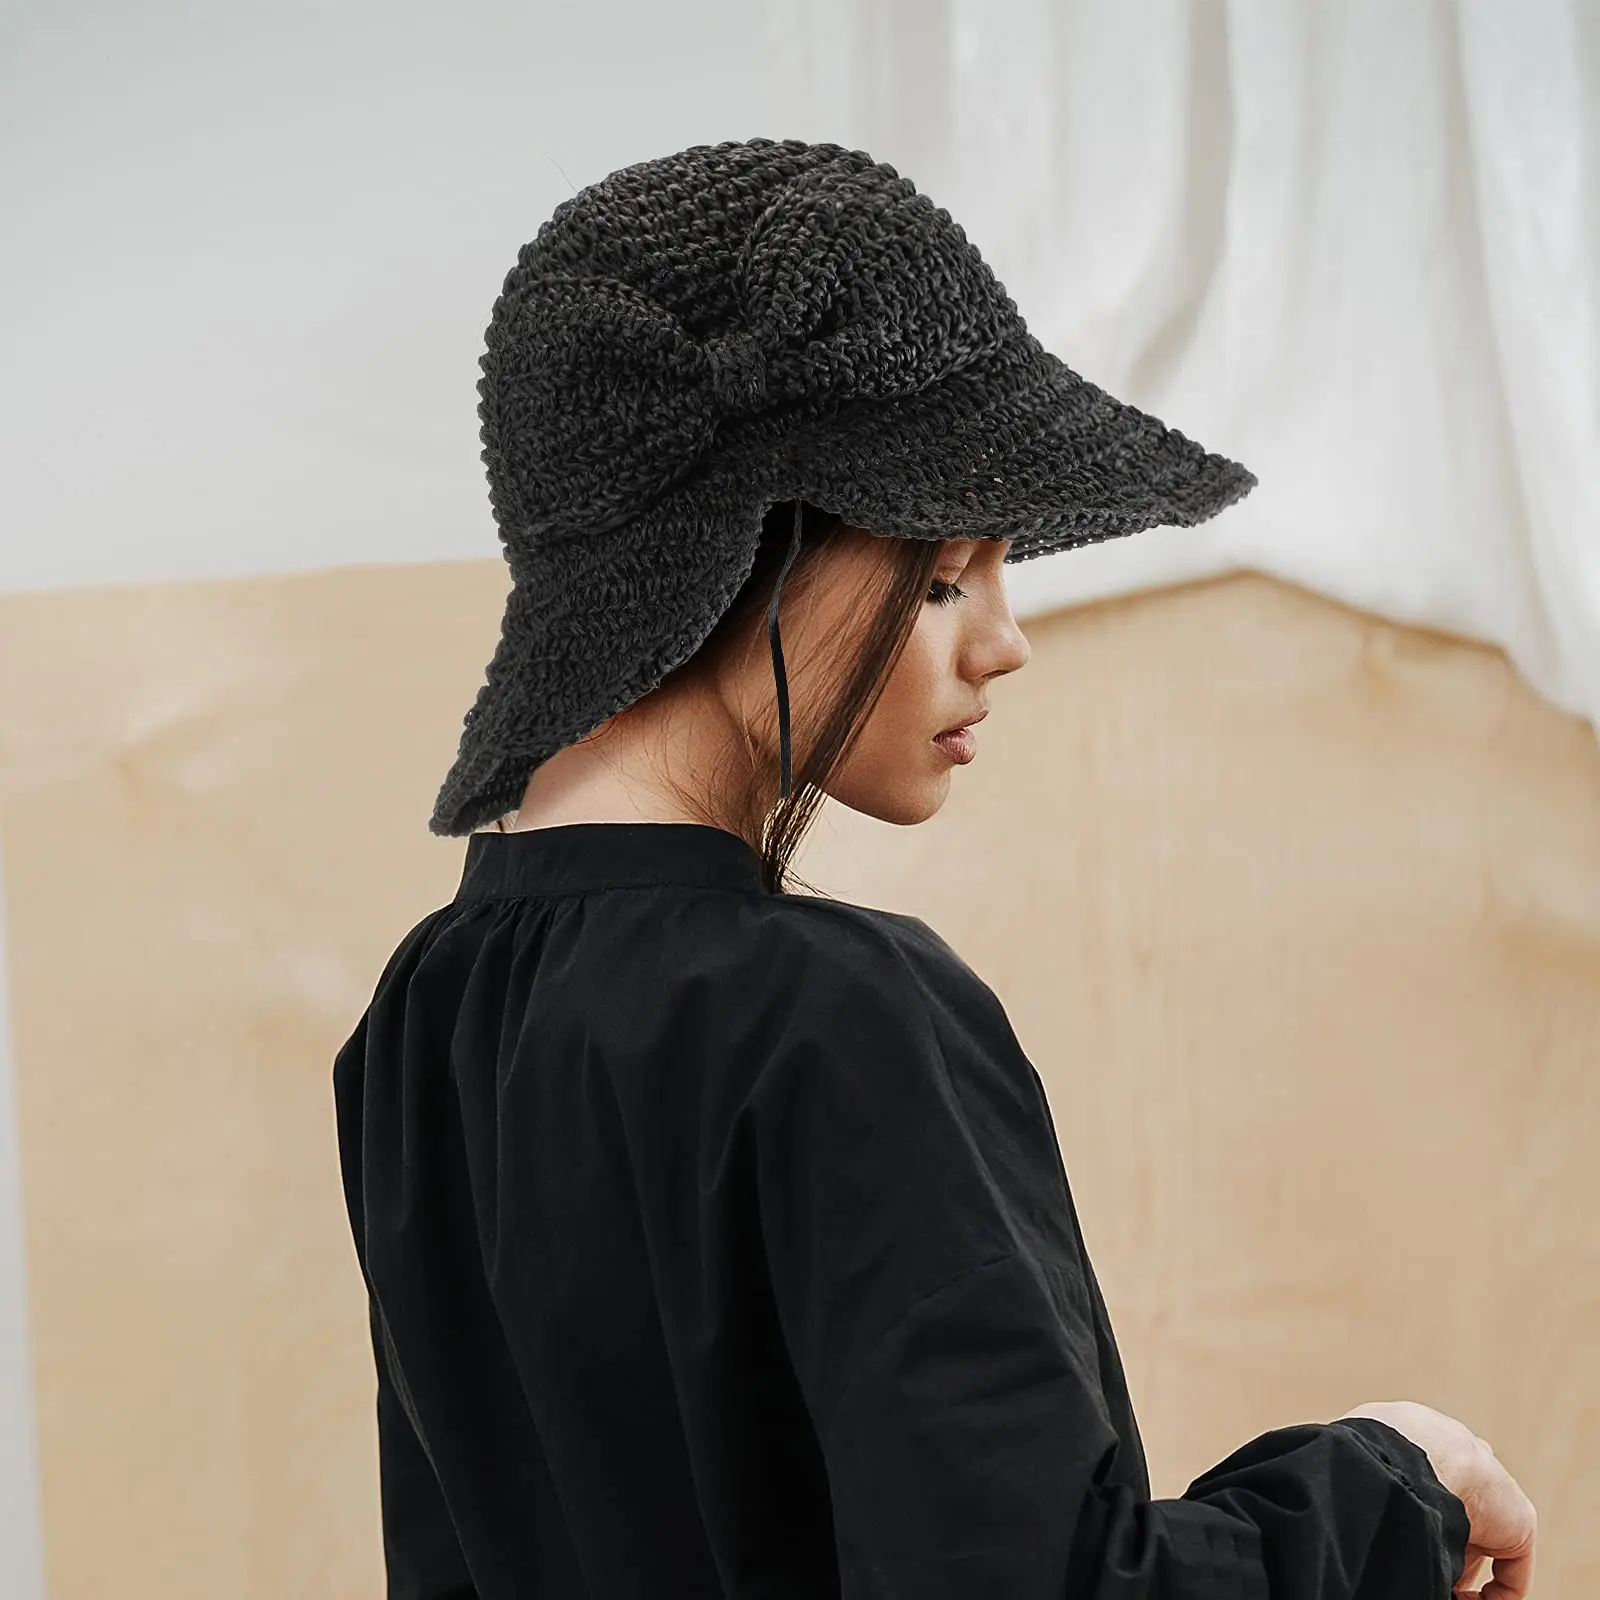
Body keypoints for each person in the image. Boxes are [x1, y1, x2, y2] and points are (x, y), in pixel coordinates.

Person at [332, 139, 1535, 1598]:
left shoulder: (423, 1015)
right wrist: (1394, 1479)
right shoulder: (830, 1015)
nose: (1004, 640)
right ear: (746, 550)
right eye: (949, 570)